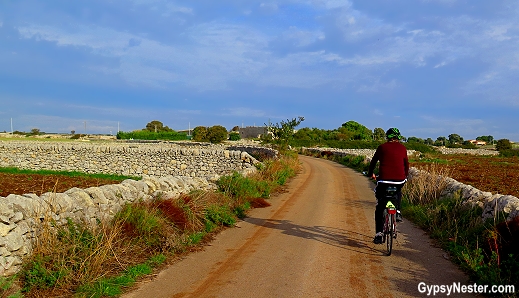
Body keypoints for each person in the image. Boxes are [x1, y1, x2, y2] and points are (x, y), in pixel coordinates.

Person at [367, 127, 409, 244]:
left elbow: (373, 162)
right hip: (399, 180)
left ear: (387, 137)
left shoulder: (382, 147)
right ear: (398, 137)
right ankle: (398, 212)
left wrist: (371, 174)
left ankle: (379, 234)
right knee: (398, 191)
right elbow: (406, 164)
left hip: (384, 180)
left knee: (380, 206)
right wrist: (405, 176)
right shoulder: (402, 148)